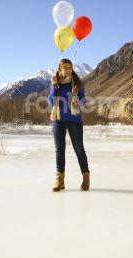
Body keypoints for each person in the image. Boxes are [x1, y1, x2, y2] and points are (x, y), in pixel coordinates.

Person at [48, 58, 90, 192]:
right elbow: (50, 102)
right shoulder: (56, 83)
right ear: (60, 69)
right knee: (59, 150)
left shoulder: (77, 83)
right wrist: (54, 86)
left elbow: (84, 99)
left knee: (79, 149)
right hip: (58, 119)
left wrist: (79, 103)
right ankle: (59, 181)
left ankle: (86, 178)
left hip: (74, 119)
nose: (68, 69)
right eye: (65, 67)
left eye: (69, 67)